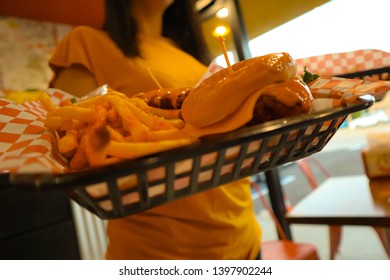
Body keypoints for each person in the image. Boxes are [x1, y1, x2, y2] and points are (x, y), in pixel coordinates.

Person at [49, 0, 261, 260]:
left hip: (245, 237)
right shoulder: (85, 42)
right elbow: (69, 141)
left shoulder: (187, 51)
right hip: (159, 252)